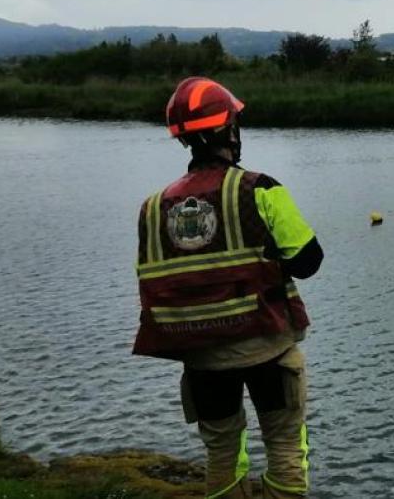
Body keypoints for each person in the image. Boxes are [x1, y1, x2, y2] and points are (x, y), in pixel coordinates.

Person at [133, 77, 324, 498]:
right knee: (286, 445)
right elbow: (309, 261)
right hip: (268, 348)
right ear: (227, 130)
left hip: (201, 357)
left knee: (221, 454)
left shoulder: (153, 207)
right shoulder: (260, 189)